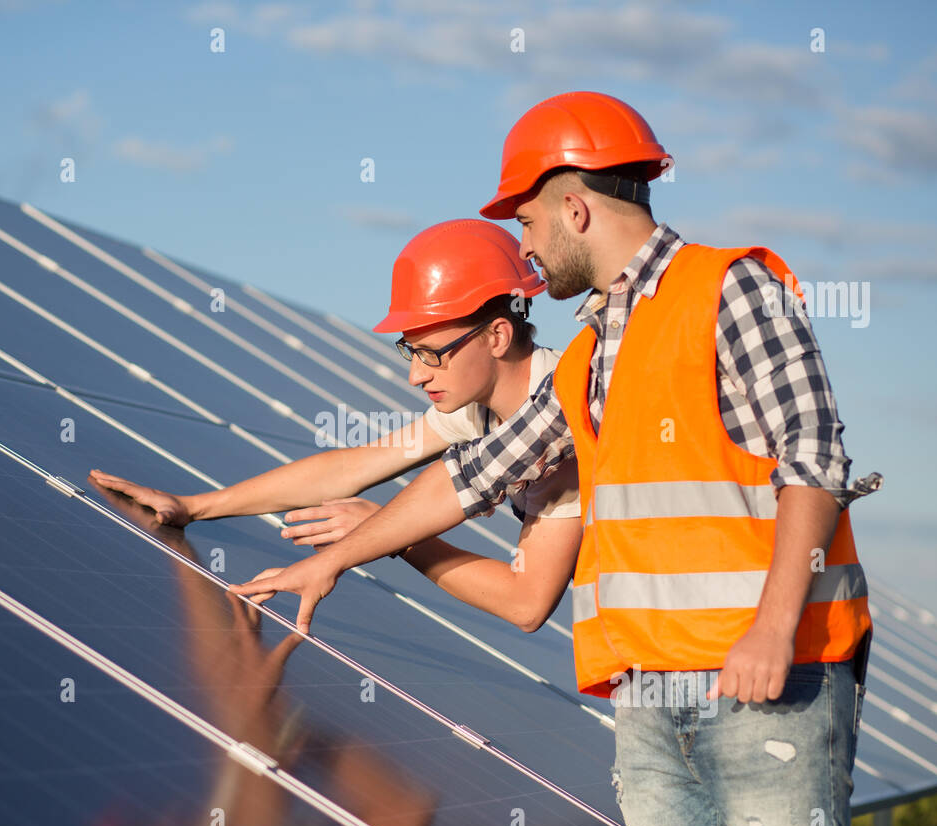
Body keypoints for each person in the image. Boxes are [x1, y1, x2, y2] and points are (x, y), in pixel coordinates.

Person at [229, 91, 885, 826]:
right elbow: (470, 479)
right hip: (648, 696)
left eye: (528, 222)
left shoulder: (729, 288)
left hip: (767, 680)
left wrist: (773, 630)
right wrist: (333, 558)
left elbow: (812, 460)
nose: (525, 248)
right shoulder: (589, 355)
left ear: (575, 209)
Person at [92, 218, 582, 633]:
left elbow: (526, 603)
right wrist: (196, 506)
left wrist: (395, 536)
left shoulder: (565, 429)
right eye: (410, 352)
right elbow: (353, 469)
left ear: (497, 335)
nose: (415, 375)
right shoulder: (475, 409)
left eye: (432, 354)